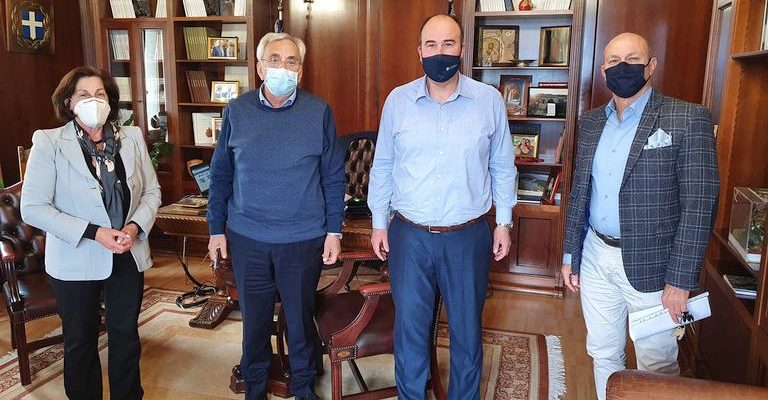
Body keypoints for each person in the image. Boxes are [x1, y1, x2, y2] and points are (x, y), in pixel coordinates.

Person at [561, 32, 719, 400]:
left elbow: (700, 204)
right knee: (603, 352)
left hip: (656, 268)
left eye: (633, 59)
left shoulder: (687, 118)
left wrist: (681, 280)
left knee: (657, 364)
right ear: (603, 71)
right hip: (596, 256)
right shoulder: (591, 123)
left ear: (651, 66)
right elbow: (580, 192)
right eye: (614, 61)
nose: (623, 67)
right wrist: (571, 255)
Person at [368, 14, 517, 399]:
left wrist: (503, 223)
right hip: (409, 235)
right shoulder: (398, 101)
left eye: (448, 44)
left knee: (466, 333)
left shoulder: (488, 101)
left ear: (462, 49)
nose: (440, 52)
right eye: (431, 45)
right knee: (410, 332)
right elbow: (383, 164)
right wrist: (379, 222)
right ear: (419, 52)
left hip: (467, 236)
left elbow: (502, 166)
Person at [206, 32, 345, 400]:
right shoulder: (237, 111)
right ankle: (254, 390)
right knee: (254, 324)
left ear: (300, 71)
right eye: (274, 59)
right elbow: (221, 174)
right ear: (259, 67)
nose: (283, 67)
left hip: (302, 239)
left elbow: (333, 176)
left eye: (291, 61)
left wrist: (334, 231)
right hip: (247, 238)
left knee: (299, 322)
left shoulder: (319, 112)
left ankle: (303, 389)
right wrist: (215, 229)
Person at [21, 66, 161, 400]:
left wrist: (134, 227)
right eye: (83, 95)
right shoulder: (49, 142)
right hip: (75, 259)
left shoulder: (132, 137)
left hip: (126, 252)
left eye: (99, 94)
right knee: (80, 341)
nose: (92, 101)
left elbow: (151, 192)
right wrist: (94, 233)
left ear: (110, 101)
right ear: (68, 102)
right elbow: (34, 208)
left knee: (126, 336)